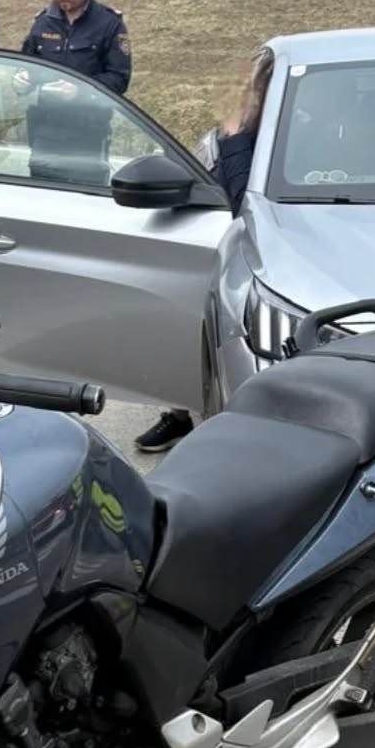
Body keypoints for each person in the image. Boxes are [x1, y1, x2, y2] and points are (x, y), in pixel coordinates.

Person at [136, 47, 274, 454]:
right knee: (176, 318)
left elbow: (251, 209)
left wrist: (236, 139)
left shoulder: (276, 137)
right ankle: (179, 411)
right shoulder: (225, 137)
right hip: (215, 257)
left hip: (263, 267)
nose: (241, 97)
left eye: (252, 92)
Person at [18, 0, 130, 186]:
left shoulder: (108, 24)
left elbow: (119, 79)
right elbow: (27, 67)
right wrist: (21, 81)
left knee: (86, 203)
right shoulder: (42, 23)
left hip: (88, 135)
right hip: (46, 135)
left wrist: (80, 90)